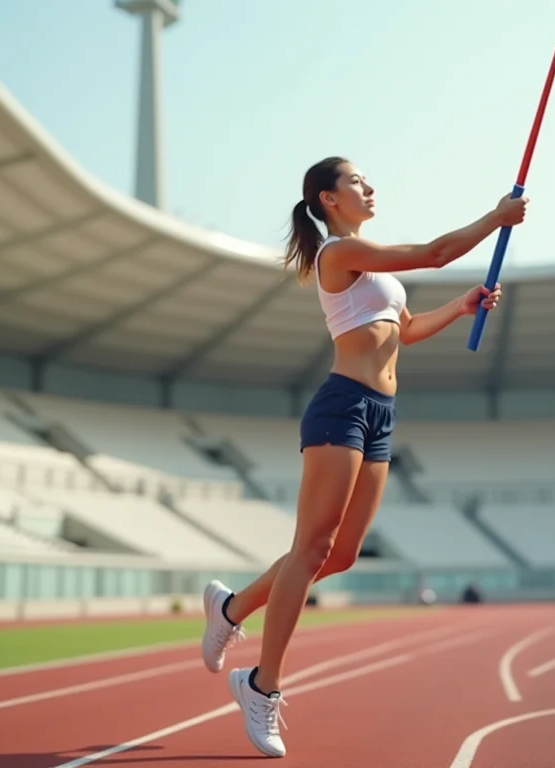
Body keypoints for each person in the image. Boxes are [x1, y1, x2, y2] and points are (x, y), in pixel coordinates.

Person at [199, 156, 528, 757]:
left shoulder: (377, 277)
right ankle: (261, 687)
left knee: (341, 554)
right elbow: (433, 251)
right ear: (328, 199)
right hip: (343, 406)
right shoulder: (338, 254)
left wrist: (460, 308)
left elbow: (403, 328)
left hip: (381, 415)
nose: (369, 187)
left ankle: (232, 606)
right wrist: (497, 217)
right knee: (313, 547)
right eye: (356, 181)